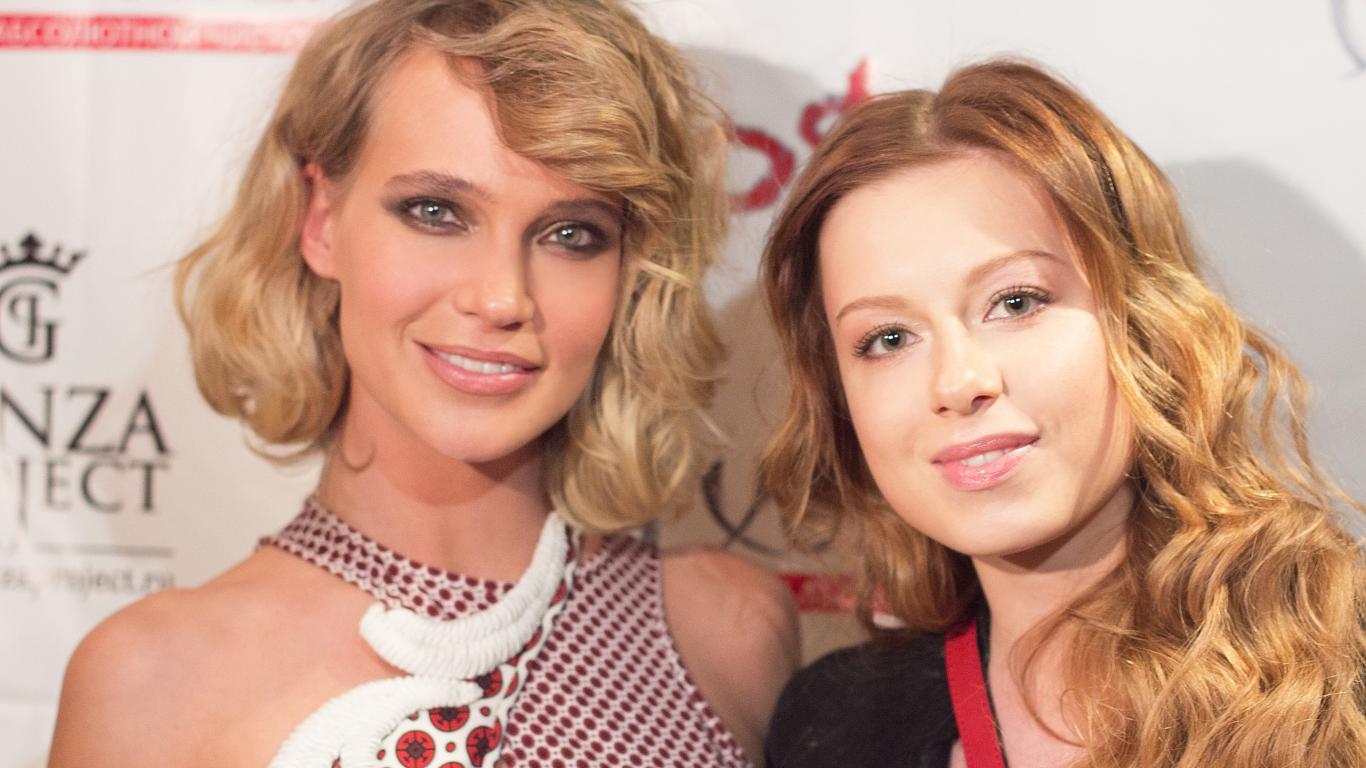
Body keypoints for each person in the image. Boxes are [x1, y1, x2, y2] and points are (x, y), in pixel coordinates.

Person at [48, 1, 798, 765]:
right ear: (321, 219)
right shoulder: (154, 681)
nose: (502, 298)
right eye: (436, 212)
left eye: (572, 234)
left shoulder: (730, 630)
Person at [759, 60, 1364, 768]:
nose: (959, 382)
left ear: (1146, 322)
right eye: (888, 339)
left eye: (1015, 302)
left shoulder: (1348, 657)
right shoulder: (833, 724)